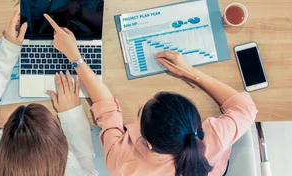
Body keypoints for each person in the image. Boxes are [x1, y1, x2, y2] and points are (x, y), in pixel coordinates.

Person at [43, 14, 258, 176]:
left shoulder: (124, 163)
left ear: (148, 143)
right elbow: (246, 108)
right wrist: (191, 73)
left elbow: (105, 106)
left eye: (140, 111)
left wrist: (75, 57)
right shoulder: (215, 138)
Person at [0, 10, 98, 175]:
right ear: (61, 145)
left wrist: (9, 50)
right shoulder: (71, 170)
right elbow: (86, 165)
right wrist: (71, 114)